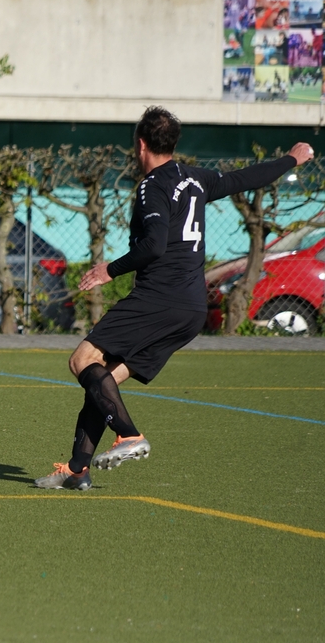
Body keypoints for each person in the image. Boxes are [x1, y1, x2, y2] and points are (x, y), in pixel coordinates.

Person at [34, 106, 314, 490]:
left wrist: (108, 270)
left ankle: (129, 435)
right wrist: (291, 159)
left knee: (82, 360)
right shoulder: (195, 179)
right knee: (103, 383)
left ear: (140, 144)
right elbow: (246, 178)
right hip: (191, 307)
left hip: (160, 297)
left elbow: (154, 245)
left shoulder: (152, 186)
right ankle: (77, 469)